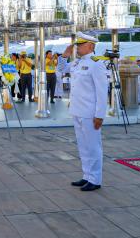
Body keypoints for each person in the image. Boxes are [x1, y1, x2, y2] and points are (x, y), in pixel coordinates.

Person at [57, 32, 108, 192]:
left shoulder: (96, 63)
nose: (77, 47)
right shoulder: (77, 63)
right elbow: (60, 69)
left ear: (91, 46)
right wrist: (64, 56)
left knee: (93, 146)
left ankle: (95, 179)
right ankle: (87, 175)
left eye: (81, 44)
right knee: (83, 146)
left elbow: (101, 92)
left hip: (90, 112)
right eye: (77, 45)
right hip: (77, 110)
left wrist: (100, 115)